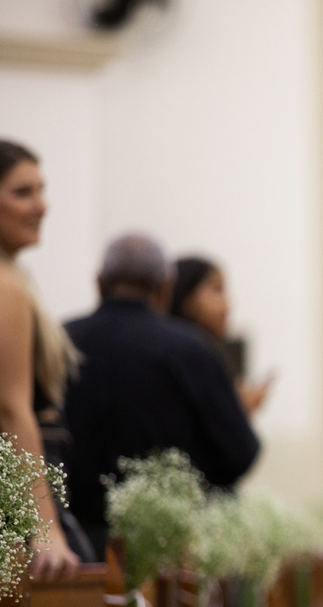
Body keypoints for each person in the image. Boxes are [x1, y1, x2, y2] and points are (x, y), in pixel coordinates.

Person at [63, 234, 261, 557]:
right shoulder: (189, 350)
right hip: (170, 554)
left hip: (74, 551)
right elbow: (240, 455)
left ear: (99, 283)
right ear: (164, 287)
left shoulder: (62, 343)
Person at [0, 140, 83, 576]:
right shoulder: (6, 285)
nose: (41, 205)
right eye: (22, 192)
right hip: (16, 500)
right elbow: (11, 409)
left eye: (41, 189)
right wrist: (45, 526)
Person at [168, 254, 272, 414]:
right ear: (187, 300)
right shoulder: (182, 362)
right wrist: (237, 409)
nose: (228, 304)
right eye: (217, 289)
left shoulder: (207, 357)